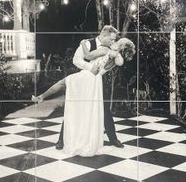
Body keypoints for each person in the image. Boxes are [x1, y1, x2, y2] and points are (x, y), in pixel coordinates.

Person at [32, 26, 135, 157]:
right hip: (90, 76)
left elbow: (90, 56)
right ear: (104, 34)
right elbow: (76, 60)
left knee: (101, 109)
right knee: (74, 105)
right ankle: (62, 139)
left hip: (94, 80)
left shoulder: (106, 49)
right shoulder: (91, 44)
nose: (113, 42)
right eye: (112, 39)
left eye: (115, 40)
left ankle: (112, 138)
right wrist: (90, 67)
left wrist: (85, 48)